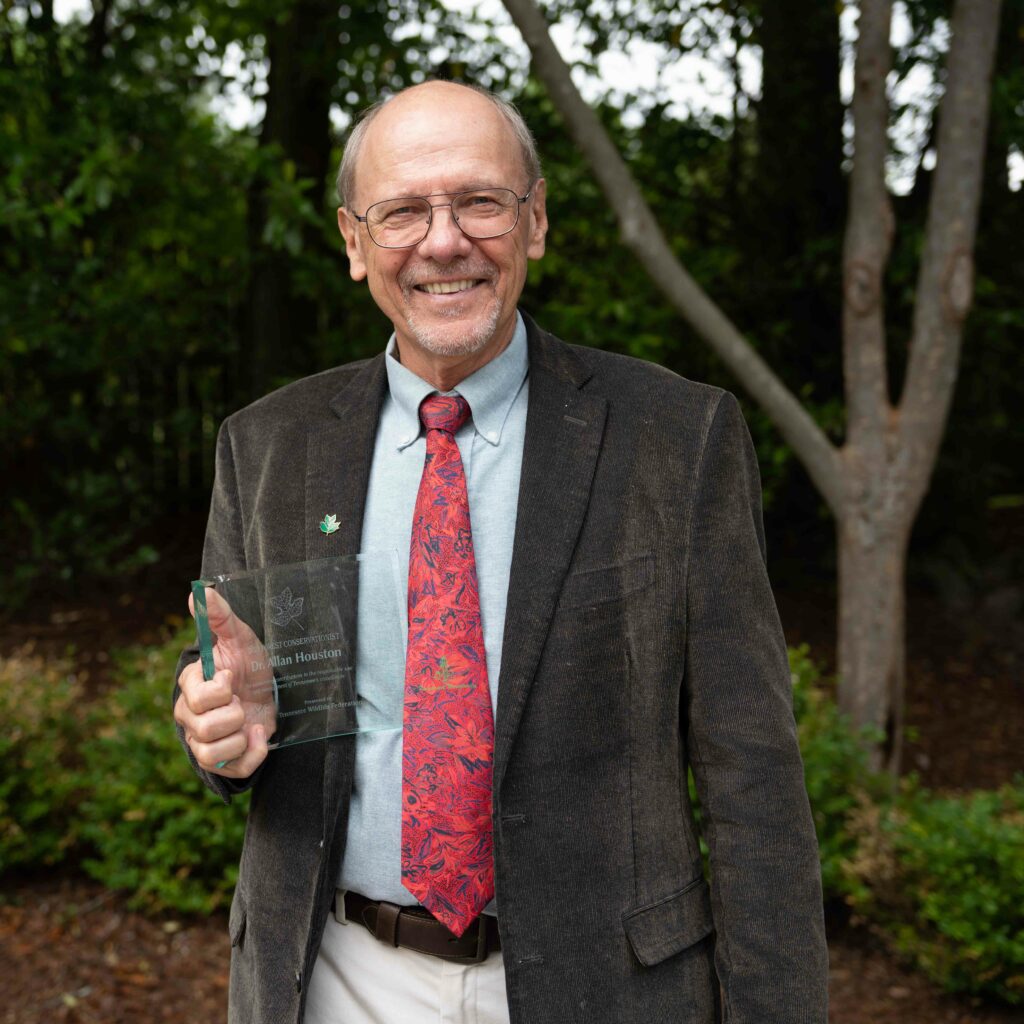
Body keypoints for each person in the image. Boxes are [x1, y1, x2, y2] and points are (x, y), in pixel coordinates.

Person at [173, 80, 828, 1024]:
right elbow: (231, 687)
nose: (444, 242)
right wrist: (217, 728)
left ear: (535, 222)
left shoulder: (676, 440)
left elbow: (752, 775)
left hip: (604, 985)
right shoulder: (268, 444)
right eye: (403, 212)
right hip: (334, 981)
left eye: (479, 201)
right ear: (356, 244)